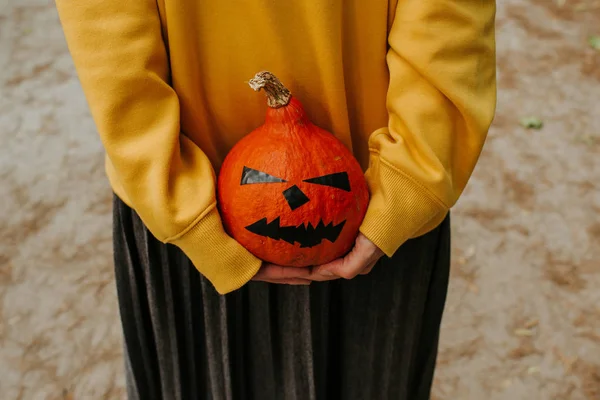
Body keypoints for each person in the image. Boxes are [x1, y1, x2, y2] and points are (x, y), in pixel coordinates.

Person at [56, 0, 496, 399]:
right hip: (345, 217)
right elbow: (449, 27)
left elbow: (108, 43)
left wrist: (176, 200)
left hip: (353, 218)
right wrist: (413, 177)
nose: (297, 202)